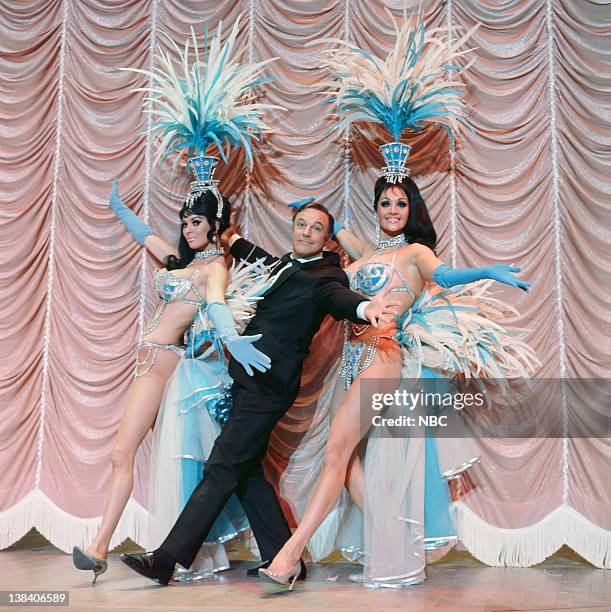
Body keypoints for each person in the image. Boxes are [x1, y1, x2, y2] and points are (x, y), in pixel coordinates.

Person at [260, 175, 535, 589]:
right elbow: (338, 234)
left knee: (336, 454)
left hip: (383, 355)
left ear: (412, 210)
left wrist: (486, 271)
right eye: (385, 203)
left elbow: (445, 275)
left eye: (400, 204)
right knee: (346, 461)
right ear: (376, 208)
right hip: (349, 360)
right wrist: (313, 209)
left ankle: (289, 555)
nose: (392, 210)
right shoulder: (367, 253)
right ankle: (394, 537)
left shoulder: (415, 252)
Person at [118, 201, 401, 585]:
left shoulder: (327, 275)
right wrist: (226, 233)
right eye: (301, 224)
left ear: (325, 238)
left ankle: (167, 559)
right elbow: (249, 251)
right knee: (246, 471)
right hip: (246, 379)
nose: (305, 232)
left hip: (269, 384)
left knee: (221, 465)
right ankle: (282, 557)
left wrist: (367, 308)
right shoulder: (281, 264)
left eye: (315, 228)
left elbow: (341, 299)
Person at [72, 181, 269, 582]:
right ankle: (106, 547)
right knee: (136, 456)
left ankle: (100, 545)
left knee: (126, 453)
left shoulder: (215, 268)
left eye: (196, 222)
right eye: (184, 221)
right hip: (146, 360)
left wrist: (231, 338)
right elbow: (147, 238)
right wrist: (120, 209)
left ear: (215, 225)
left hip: (165, 362)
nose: (187, 229)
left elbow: (215, 304)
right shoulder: (181, 263)